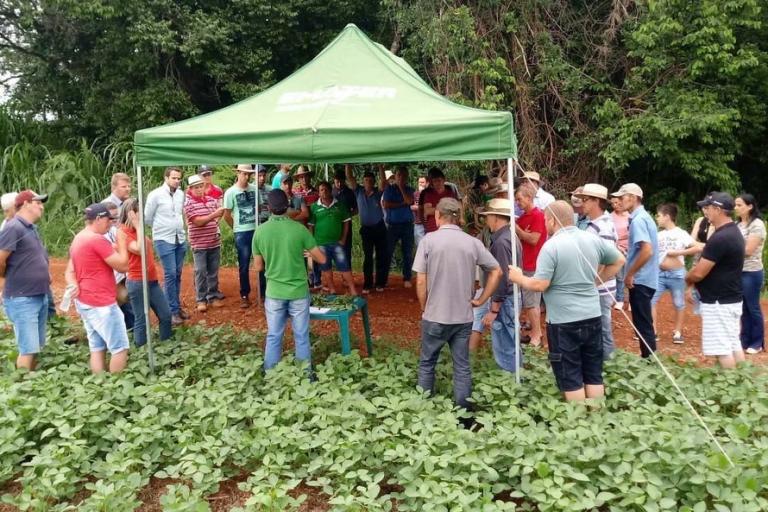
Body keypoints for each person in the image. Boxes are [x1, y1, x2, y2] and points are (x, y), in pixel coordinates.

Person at [508, 201, 624, 401]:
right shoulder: (591, 238)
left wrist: (519, 278)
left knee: (570, 375)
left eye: (545, 220)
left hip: (563, 322)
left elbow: (540, 284)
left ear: (552, 220)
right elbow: (619, 260)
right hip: (592, 316)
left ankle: (578, 423)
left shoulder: (551, 246)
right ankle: (597, 419)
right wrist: (597, 281)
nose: (545, 224)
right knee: (593, 373)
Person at [412, 198, 502, 417]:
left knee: (427, 364)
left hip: (435, 314)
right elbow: (497, 270)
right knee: (461, 367)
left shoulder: (428, 240)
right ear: (458, 217)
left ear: (437, 215)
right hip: (463, 317)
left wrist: (425, 307)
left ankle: (423, 414)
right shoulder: (472, 242)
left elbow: (421, 280)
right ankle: (464, 417)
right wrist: (481, 300)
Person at [254, 189, 326, 372]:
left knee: (273, 336)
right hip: (299, 291)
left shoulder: (260, 232)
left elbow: (259, 267)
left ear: (268, 207)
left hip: (274, 292)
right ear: (288, 206)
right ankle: (306, 376)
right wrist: (309, 253)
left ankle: (270, 376)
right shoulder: (299, 229)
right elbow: (322, 260)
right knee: (301, 336)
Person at [66, 203, 130, 373]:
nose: (110, 224)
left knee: (97, 346)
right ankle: (115, 388)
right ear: (98, 219)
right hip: (102, 302)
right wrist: (122, 242)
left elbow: (71, 269)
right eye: (108, 220)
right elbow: (123, 266)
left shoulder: (79, 237)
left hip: (86, 300)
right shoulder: (97, 240)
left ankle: (99, 385)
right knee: (120, 348)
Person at [685, 193, 745, 369]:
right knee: (733, 343)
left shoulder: (720, 238)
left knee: (721, 349)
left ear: (718, 209)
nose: (705, 211)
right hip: (730, 298)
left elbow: (698, 273)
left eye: (708, 207)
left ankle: (731, 389)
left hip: (718, 301)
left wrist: (687, 279)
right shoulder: (733, 232)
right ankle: (744, 381)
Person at [0, 190, 50, 370]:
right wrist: (3, 279)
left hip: (38, 294)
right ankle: (22, 388)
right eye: (38, 203)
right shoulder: (13, 227)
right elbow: (0, 259)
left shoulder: (29, 228)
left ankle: (31, 383)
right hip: (22, 297)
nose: (41, 207)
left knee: (35, 346)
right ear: (26, 203)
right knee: (27, 349)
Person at [612, 183, 658, 358]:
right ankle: (648, 357)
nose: (619, 201)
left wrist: (630, 274)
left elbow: (647, 250)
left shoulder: (639, 220)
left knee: (642, 323)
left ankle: (649, 360)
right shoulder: (643, 217)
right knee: (643, 322)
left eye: (622, 197)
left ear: (632, 197)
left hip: (641, 279)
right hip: (647, 278)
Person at [118, 198, 172, 348]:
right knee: (141, 319)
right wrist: (137, 225)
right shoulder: (123, 231)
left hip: (151, 279)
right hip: (136, 280)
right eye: (139, 211)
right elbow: (139, 249)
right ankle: (141, 350)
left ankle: (167, 347)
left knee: (166, 315)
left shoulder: (137, 230)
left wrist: (138, 227)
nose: (142, 215)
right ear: (131, 213)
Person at [478, 198, 522, 372]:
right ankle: (517, 379)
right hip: (512, 296)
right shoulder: (511, 237)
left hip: (505, 299)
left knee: (505, 346)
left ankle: (510, 384)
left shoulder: (501, 242)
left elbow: (502, 277)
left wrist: (494, 309)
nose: (486, 220)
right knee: (511, 342)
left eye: (488, 216)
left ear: (496, 218)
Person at [576, 184, 619, 359]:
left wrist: (594, 282)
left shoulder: (603, 226)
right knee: (595, 327)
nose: (582, 203)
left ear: (596, 201)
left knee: (602, 327)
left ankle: (608, 363)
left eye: (585, 200)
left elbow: (609, 259)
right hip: (596, 287)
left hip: (600, 288)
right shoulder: (594, 224)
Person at [145, 166, 187, 324]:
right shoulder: (155, 195)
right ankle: (171, 311)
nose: (176, 181)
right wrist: (160, 228)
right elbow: (147, 217)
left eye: (178, 178)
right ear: (166, 178)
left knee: (177, 274)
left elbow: (179, 213)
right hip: (164, 239)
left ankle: (176, 307)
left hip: (179, 238)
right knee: (170, 275)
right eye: (174, 178)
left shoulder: (181, 194)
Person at [651, 203, 695, 344]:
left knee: (679, 303)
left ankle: (678, 332)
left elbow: (696, 247)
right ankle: (652, 331)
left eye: (659, 215)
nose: (657, 218)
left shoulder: (681, 233)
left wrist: (678, 252)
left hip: (677, 274)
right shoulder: (658, 235)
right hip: (659, 273)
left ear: (667, 216)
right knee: (651, 301)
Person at [184, 174, 226, 312]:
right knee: (201, 271)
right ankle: (201, 299)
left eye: (201, 186)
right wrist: (214, 216)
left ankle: (212, 296)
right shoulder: (188, 204)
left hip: (213, 241)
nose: (199, 189)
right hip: (199, 244)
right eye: (196, 187)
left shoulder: (210, 200)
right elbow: (198, 222)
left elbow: (219, 215)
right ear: (190, 189)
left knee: (213, 271)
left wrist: (216, 218)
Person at [308, 181, 357, 295]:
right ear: (318, 193)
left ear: (331, 190)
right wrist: (313, 242)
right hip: (320, 243)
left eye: (326, 189)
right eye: (321, 190)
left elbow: (346, 223)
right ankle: (332, 289)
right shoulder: (314, 207)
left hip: (336, 243)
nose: (324, 192)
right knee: (326, 268)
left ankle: (353, 289)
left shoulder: (340, 205)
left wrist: (343, 239)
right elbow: (311, 226)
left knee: (344, 266)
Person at [346, 164, 387, 293]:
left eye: (370, 180)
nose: (368, 182)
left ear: (373, 182)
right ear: (363, 182)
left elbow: (383, 181)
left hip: (379, 227)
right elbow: (349, 177)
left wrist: (380, 167)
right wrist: (348, 165)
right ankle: (368, 284)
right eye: (366, 180)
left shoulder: (378, 192)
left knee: (381, 256)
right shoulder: (358, 191)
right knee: (368, 257)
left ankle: (380, 283)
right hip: (366, 230)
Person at [515, 182, 547, 347]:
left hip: (533, 264)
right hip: (524, 263)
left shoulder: (538, 215)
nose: (517, 203)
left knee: (532, 302)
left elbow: (533, 239)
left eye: (519, 199)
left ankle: (537, 335)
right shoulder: (522, 217)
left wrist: (519, 231)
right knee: (528, 302)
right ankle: (534, 332)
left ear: (529, 198)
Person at [223, 164, 258, 308]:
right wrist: (236, 228)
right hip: (241, 232)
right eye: (244, 173)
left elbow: (259, 208)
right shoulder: (230, 192)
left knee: (261, 261)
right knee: (244, 264)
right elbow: (227, 215)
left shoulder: (255, 189)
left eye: (249, 174)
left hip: (256, 230)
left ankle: (264, 291)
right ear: (238, 173)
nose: (247, 176)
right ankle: (244, 294)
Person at [734, 194, 765, 354]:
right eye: (735, 205)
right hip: (739, 271)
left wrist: (729, 249)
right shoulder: (737, 225)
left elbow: (748, 250)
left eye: (739, 205)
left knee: (752, 307)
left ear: (750, 206)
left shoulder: (757, 225)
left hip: (752, 272)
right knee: (743, 307)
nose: (736, 208)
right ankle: (744, 339)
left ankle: (757, 342)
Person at [102, 201, 135, 333]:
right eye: (111, 217)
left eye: (117, 217)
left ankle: (131, 332)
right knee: (113, 310)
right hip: (109, 280)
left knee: (127, 306)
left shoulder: (116, 230)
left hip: (120, 277)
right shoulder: (100, 235)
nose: (115, 220)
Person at [382, 165, 416, 288]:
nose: (401, 177)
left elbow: (409, 200)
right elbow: (386, 204)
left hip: (407, 225)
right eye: (398, 175)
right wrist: (402, 203)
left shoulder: (410, 189)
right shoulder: (389, 189)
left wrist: (401, 188)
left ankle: (407, 278)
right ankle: (384, 279)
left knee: (407, 252)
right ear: (395, 176)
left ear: (406, 177)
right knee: (388, 252)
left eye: (403, 175)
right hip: (393, 226)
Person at [332, 168, 358, 266]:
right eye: (337, 181)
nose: (339, 184)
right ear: (334, 180)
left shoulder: (349, 192)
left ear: (344, 181)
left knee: (346, 249)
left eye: (341, 181)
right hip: (333, 225)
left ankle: (347, 273)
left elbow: (356, 209)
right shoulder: (330, 192)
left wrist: (347, 215)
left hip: (346, 225)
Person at [420, 167, 457, 234]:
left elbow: (455, 209)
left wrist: (436, 210)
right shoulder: (428, 194)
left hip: (449, 228)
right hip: (432, 228)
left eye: (439, 180)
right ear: (432, 183)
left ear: (443, 180)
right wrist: (447, 210)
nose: (437, 183)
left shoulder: (450, 192)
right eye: (435, 181)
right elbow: (428, 211)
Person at [610, 196, 630, 310]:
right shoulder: (610, 217)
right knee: (620, 276)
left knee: (632, 275)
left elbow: (632, 232)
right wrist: (617, 245)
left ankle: (632, 301)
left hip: (630, 248)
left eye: (617, 203)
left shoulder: (629, 216)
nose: (615, 205)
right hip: (617, 248)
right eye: (612, 204)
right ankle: (620, 299)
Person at [412, 175, 428, 247]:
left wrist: (419, 207)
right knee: (419, 245)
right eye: (419, 182)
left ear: (427, 183)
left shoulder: (429, 194)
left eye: (422, 182)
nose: (421, 184)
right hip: (418, 222)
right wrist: (418, 207)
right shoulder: (415, 194)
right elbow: (410, 206)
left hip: (428, 222)